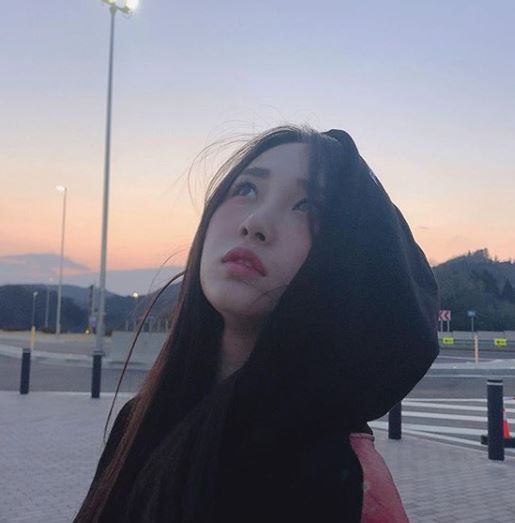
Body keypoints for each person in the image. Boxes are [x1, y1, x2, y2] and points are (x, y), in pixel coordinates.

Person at [74, 125, 440, 522]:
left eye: (306, 206)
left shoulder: (338, 477)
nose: (255, 222)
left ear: (342, 258)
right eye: (246, 189)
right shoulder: (139, 421)